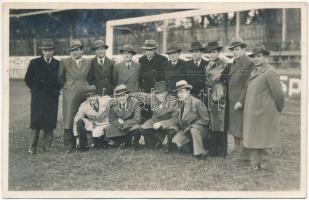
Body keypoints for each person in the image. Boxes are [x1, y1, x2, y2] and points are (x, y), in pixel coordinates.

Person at [241, 44, 284, 169]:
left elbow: (278, 94)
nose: (256, 59)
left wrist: (278, 109)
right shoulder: (254, 71)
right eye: (254, 57)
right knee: (254, 138)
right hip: (253, 111)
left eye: (259, 56)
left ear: (265, 57)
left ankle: (264, 165)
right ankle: (254, 164)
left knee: (265, 138)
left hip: (265, 112)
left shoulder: (271, 72)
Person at [24, 40, 60, 154]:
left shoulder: (57, 64)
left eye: (50, 50)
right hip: (38, 97)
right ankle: (32, 147)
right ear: (42, 51)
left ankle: (47, 146)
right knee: (36, 121)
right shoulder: (34, 62)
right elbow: (27, 78)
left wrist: (55, 90)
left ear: (53, 51)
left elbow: (61, 80)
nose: (48, 52)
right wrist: (35, 89)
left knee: (50, 121)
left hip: (52, 97)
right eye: (45, 50)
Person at [58, 39, 94, 153]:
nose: (74, 52)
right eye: (72, 50)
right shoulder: (64, 62)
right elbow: (60, 78)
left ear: (82, 50)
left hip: (85, 92)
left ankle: (84, 142)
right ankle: (69, 144)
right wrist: (68, 86)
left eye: (77, 50)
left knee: (85, 115)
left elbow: (91, 77)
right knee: (69, 117)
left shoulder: (88, 62)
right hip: (70, 93)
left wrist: (87, 87)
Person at [164, 80, 209, 160]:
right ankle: (191, 146)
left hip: (200, 130)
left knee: (194, 130)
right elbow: (175, 119)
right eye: (178, 92)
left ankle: (200, 153)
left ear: (188, 92)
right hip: (186, 131)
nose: (179, 94)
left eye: (182, 92)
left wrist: (193, 125)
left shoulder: (197, 102)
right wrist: (163, 123)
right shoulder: (179, 104)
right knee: (176, 142)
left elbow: (206, 120)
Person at [130, 81, 178, 151]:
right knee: (142, 129)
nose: (160, 95)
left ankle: (169, 144)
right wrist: (128, 95)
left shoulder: (173, 100)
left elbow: (175, 119)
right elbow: (140, 95)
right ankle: (157, 140)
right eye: (157, 93)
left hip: (169, 122)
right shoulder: (153, 98)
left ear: (166, 92)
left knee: (171, 131)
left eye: (162, 93)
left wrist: (162, 123)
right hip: (155, 120)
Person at [227, 37, 255, 156]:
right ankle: (236, 146)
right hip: (232, 98)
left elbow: (247, 84)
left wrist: (241, 100)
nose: (234, 52)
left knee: (241, 125)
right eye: (233, 50)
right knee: (234, 124)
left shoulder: (248, 62)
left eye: (237, 49)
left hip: (240, 99)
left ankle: (245, 148)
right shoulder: (234, 61)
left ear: (243, 49)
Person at [204, 41, 230, 158]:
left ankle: (223, 151)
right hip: (209, 95)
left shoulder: (224, 64)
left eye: (214, 52)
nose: (212, 55)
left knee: (221, 123)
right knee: (212, 124)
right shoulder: (207, 65)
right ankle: (213, 150)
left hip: (220, 95)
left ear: (218, 53)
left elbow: (225, 81)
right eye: (210, 53)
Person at [139, 40, 168, 124]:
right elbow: (140, 77)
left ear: (154, 50)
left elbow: (163, 78)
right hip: (145, 91)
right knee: (145, 113)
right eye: (147, 50)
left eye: (151, 50)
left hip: (156, 92)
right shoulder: (142, 59)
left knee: (156, 114)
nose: (148, 52)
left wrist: (159, 92)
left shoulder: (162, 59)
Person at [105, 84, 142, 149]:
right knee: (108, 129)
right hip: (120, 125)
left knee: (137, 129)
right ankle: (121, 141)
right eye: (118, 96)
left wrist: (124, 124)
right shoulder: (113, 104)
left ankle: (131, 140)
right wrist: (120, 124)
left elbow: (137, 119)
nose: (121, 98)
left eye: (123, 95)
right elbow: (112, 119)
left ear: (127, 95)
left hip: (131, 124)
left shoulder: (135, 102)